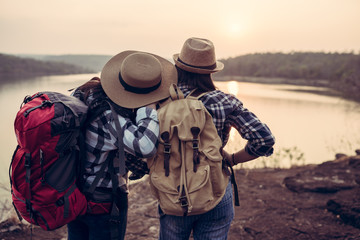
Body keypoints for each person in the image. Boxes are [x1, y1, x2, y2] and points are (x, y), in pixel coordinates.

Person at [156, 37, 276, 240]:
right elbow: (264, 140)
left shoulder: (161, 101)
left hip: (173, 192)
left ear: (179, 67)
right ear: (211, 71)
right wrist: (233, 158)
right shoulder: (225, 101)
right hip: (215, 189)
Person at [67, 51, 178, 240]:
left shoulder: (85, 94)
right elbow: (145, 146)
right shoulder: (109, 115)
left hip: (74, 191)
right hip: (103, 200)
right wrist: (148, 108)